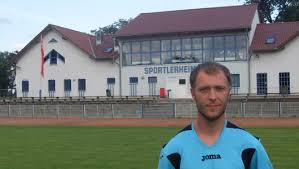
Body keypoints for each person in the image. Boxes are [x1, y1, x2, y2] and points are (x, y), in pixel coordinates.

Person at [157, 62, 273, 169]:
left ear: (229, 93)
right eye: (204, 89)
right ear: (193, 93)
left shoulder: (251, 146)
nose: (212, 97)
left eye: (219, 89)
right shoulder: (173, 150)